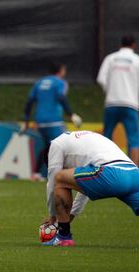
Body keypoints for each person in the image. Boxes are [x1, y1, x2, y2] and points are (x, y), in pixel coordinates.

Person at [42, 131, 139, 246]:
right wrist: (66, 219)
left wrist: (53, 217)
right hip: (134, 174)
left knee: (59, 178)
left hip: (111, 173)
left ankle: (63, 237)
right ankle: (64, 233)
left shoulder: (56, 145)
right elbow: (85, 190)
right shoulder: (80, 141)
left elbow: (53, 180)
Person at [23, 63, 82, 180]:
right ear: (61, 71)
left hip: (40, 122)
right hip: (54, 121)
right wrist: (71, 114)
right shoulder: (60, 82)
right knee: (66, 145)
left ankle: (36, 174)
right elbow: (61, 96)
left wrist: (26, 120)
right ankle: (67, 174)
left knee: (48, 147)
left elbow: (29, 101)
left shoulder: (39, 82)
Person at [97, 35, 139, 166]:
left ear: (120, 44)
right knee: (134, 139)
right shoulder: (137, 60)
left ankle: (105, 167)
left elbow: (101, 79)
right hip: (130, 104)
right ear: (133, 45)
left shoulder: (110, 58)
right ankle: (134, 172)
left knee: (106, 138)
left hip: (112, 103)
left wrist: (110, 91)